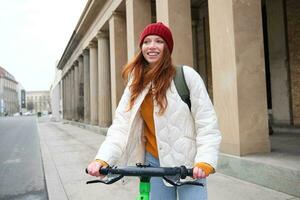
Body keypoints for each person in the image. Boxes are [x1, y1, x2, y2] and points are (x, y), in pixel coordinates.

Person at [87, 22, 222, 200]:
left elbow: (207, 124)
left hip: (189, 165)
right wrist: (102, 159)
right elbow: (121, 127)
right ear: (141, 47)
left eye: (158, 41)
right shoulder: (135, 84)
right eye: (146, 42)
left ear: (167, 47)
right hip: (155, 164)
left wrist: (205, 161)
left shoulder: (186, 76)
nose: (151, 46)